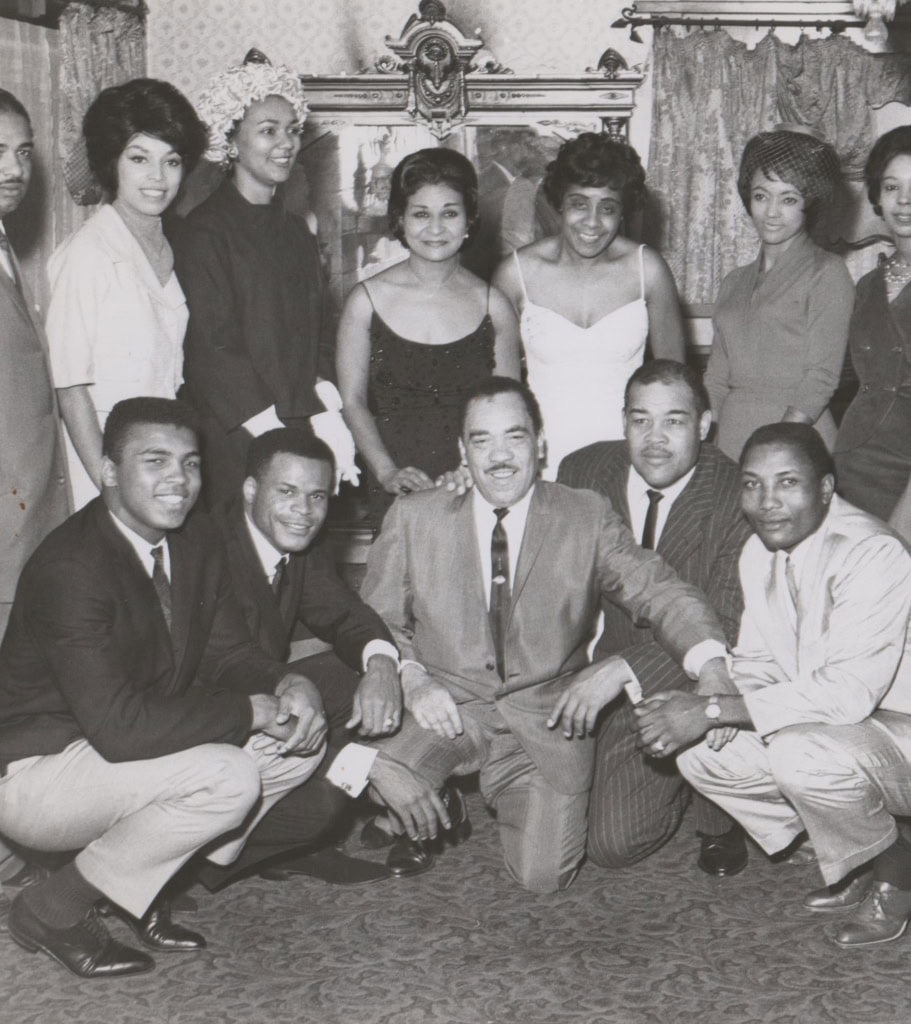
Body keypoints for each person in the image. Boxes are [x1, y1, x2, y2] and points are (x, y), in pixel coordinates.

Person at [347, 376, 732, 893]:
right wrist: (412, 678)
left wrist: (710, 664)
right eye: (481, 441)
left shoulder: (584, 515)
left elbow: (658, 590)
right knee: (369, 768)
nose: (499, 456)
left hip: (545, 717)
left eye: (515, 437)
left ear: (540, 444)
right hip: (445, 706)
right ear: (463, 451)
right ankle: (432, 787)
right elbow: (374, 621)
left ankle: (477, 795)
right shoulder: (416, 516)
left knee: (543, 877)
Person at [0, 398, 329, 978]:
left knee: (299, 741)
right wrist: (252, 710)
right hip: (39, 770)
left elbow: (228, 652)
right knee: (231, 775)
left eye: (191, 463)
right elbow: (122, 730)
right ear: (107, 471)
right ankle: (52, 909)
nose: (178, 480)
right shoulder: (70, 567)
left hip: (118, 748)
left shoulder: (193, 540)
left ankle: (141, 887)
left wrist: (288, 680)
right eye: (156, 461)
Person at [636, 423, 911, 949]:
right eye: (752, 484)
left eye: (788, 483)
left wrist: (715, 710)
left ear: (826, 489)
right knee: (704, 756)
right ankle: (861, 850)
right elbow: (759, 662)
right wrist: (700, 708)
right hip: (848, 734)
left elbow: (848, 694)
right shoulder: (759, 553)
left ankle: (897, 869)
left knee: (798, 755)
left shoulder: (872, 552)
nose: (767, 503)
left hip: (898, 731)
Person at [558, 360, 752, 876]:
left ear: (705, 425)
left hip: (693, 678)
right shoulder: (582, 474)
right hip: (604, 667)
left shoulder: (735, 494)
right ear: (622, 421)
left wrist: (623, 670)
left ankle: (719, 810)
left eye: (674, 421)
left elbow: (728, 625)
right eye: (640, 420)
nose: (655, 439)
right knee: (585, 837)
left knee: (610, 845)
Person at [202, 427, 402, 886]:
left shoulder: (295, 543)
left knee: (354, 678)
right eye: (287, 492)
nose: (304, 512)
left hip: (258, 695)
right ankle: (192, 860)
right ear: (251, 489)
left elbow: (344, 613)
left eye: (317, 497)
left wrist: (382, 663)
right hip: (199, 720)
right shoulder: (207, 545)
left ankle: (283, 844)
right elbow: (223, 660)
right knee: (322, 806)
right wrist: (292, 686)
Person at [173, 50, 355, 506]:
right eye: (268, 131)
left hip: (300, 424)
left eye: (292, 130)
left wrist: (328, 412)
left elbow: (316, 335)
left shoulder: (297, 230)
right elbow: (212, 349)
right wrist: (274, 436)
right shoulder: (204, 232)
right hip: (239, 435)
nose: (287, 143)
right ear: (230, 140)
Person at [46, 79, 208, 510]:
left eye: (170, 161)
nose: (157, 178)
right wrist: (109, 484)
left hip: (158, 459)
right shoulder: (87, 254)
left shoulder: (170, 244)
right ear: (111, 162)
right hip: (103, 468)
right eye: (139, 158)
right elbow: (69, 387)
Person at [337, 147, 521, 524]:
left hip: (475, 486)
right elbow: (352, 401)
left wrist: (473, 469)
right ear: (400, 220)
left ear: (469, 219)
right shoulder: (364, 302)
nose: (435, 229)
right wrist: (387, 471)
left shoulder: (495, 306)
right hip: (396, 488)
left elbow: (507, 411)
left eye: (450, 214)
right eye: (421, 214)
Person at [493, 132, 685, 478]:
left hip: (629, 460)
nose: (593, 223)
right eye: (580, 204)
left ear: (623, 211)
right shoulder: (515, 275)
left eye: (608, 208)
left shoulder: (649, 270)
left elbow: (674, 387)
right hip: (542, 461)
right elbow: (502, 393)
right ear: (559, 204)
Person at [704, 126, 854, 461]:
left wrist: (778, 447)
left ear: (809, 203)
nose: (771, 212)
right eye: (761, 196)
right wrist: (704, 443)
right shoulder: (733, 282)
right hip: (730, 437)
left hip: (798, 439)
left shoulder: (827, 273)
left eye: (788, 199)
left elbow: (821, 379)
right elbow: (716, 377)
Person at [0, 89, 69, 637]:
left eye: (24, 152)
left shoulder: (7, 249)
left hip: (31, 515)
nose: (14, 168)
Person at [835, 126, 911, 522]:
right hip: (853, 464)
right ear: (878, 196)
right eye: (892, 187)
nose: (905, 201)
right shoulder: (866, 286)